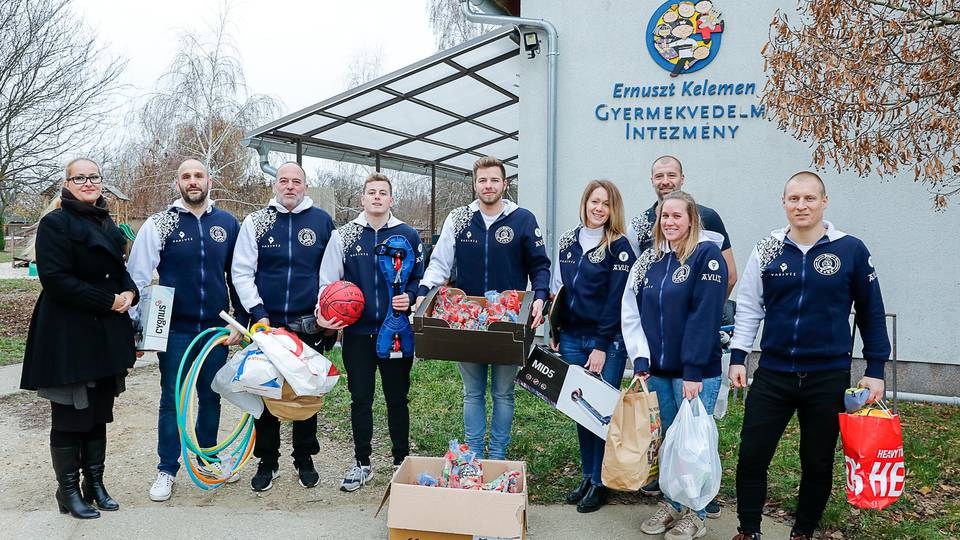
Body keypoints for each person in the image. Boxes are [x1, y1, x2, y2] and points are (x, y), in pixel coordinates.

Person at [729, 172, 889, 540]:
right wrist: (739, 356)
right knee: (752, 455)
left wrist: (875, 367)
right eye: (794, 199)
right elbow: (750, 305)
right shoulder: (767, 248)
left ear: (824, 202)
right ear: (783, 202)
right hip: (773, 372)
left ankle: (802, 532)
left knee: (816, 462)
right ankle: (749, 530)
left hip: (827, 374)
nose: (801, 206)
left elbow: (871, 312)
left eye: (809, 199)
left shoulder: (850, 249)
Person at [21, 158, 139, 519]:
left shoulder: (108, 223)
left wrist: (130, 293)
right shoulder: (55, 223)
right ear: (68, 183)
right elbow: (56, 280)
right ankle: (68, 491)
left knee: (99, 414)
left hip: (104, 335)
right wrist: (109, 301)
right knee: (71, 416)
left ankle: (95, 484)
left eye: (94, 177)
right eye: (80, 177)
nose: (88, 183)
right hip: (69, 335)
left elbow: (119, 273)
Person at [416, 155, 551, 460]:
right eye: (482, 180)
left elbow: (540, 265)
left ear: (504, 183)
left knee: (503, 392)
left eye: (494, 180)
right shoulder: (459, 218)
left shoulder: (523, 219)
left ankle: (498, 454)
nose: (488, 186)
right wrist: (424, 293)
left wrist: (540, 296)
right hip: (466, 321)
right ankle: (474, 453)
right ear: (474, 184)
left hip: (507, 322)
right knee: (473, 392)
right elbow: (439, 263)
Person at [127, 159, 244, 502]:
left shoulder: (227, 223)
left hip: (215, 331)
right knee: (172, 400)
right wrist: (135, 328)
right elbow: (137, 276)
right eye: (186, 177)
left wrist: (240, 323)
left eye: (199, 175)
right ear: (177, 183)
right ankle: (166, 468)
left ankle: (207, 458)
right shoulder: (159, 223)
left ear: (210, 180)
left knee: (210, 396)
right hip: (174, 329)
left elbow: (237, 275)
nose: (193, 181)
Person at [622, 190, 728, 540]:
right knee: (670, 440)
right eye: (664, 216)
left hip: (695, 373)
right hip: (659, 372)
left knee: (693, 444)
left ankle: (695, 513)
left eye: (676, 216)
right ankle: (670, 503)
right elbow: (632, 310)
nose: (669, 222)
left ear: (692, 219)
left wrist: (693, 370)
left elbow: (704, 315)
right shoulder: (651, 260)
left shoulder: (706, 255)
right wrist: (640, 359)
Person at [316, 172, 424, 492]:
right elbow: (328, 280)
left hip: (396, 331)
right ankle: (362, 462)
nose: (377, 197)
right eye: (371, 192)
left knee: (396, 399)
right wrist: (327, 315)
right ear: (362, 199)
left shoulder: (408, 234)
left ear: (391, 199)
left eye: (383, 192)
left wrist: (412, 296)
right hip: (358, 333)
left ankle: (400, 462)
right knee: (360, 398)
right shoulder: (345, 235)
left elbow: (420, 278)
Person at [232, 162, 335, 492]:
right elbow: (242, 273)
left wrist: (322, 313)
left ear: (305, 186)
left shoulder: (321, 222)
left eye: (296, 181)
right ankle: (268, 461)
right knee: (265, 395)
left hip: (307, 325)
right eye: (283, 181)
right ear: (275, 185)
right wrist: (258, 313)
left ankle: (304, 458)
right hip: (268, 326)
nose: (290, 186)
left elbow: (329, 274)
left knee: (306, 393)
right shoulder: (257, 222)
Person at [549, 180, 635, 513]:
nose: (598, 208)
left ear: (613, 209)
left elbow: (617, 301)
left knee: (601, 412)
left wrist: (601, 345)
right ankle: (587, 475)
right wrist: (555, 329)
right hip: (571, 337)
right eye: (593, 201)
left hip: (606, 343)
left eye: (605, 204)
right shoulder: (568, 241)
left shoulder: (620, 247)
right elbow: (560, 290)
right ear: (585, 203)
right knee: (581, 411)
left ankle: (601, 482)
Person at [627, 155, 737, 298]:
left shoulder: (707, 217)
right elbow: (632, 281)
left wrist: (711, 311)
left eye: (672, 175)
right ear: (652, 181)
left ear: (682, 179)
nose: (665, 181)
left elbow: (730, 276)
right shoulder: (638, 225)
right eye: (659, 176)